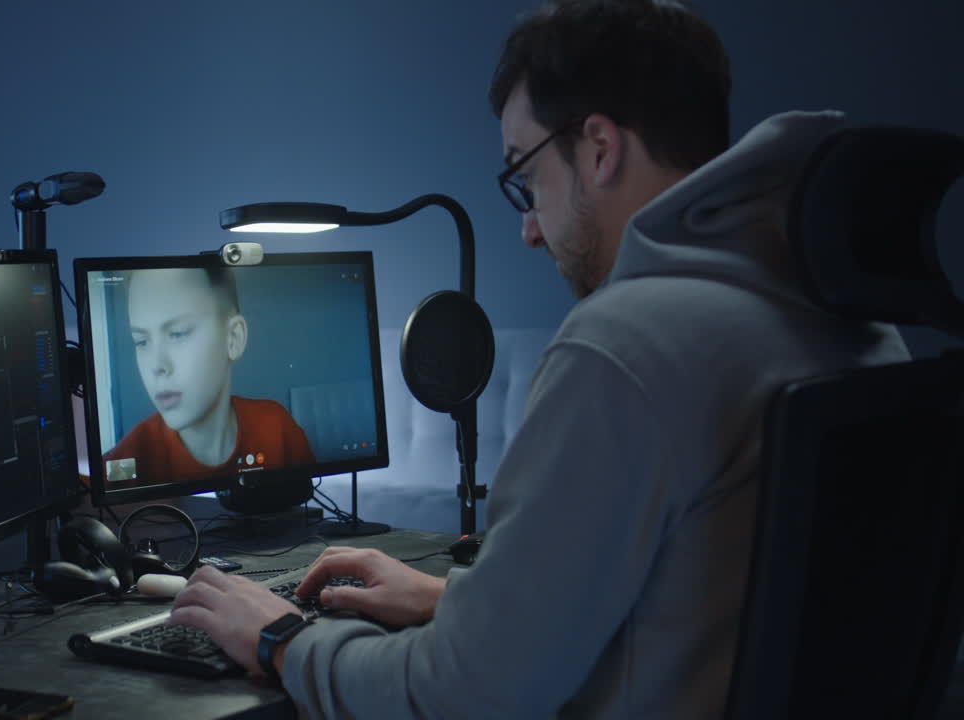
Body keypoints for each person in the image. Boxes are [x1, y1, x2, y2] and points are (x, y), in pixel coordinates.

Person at [169, 0, 910, 717]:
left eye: (527, 180)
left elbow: (455, 699)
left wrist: (277, 637)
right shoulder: (845, 321)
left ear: (599, 148)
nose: (529, 228)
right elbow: (703, 607)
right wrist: (462, 603)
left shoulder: (629, 344)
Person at [104, 266, 315, 487]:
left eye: (178, 333)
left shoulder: (277, 429)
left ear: (233, 338)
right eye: (141, 342)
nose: (157, 366)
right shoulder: (123, 462)